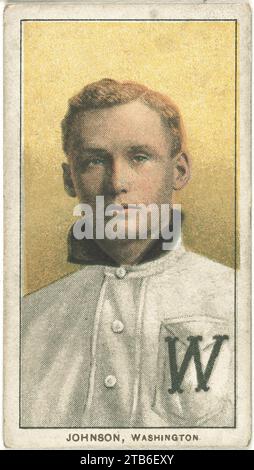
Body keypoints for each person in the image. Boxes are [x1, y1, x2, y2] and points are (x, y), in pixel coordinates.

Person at [21, 79, 234, 428]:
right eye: (94, 161)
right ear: (69, 178)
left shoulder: (240, 301)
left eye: (139, 157)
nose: (117, 181)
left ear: (179, 171)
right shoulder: (23, 321)